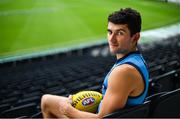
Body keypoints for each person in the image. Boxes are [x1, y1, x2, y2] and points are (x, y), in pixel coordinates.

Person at [41, 7, 149, 118]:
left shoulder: (124, 71)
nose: (111, 39)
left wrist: (69, 110)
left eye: (120, 33)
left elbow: (102, 118)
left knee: (46, 103)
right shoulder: (137, 60)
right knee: (46, 100)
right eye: (110, 32)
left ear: (135, 37)